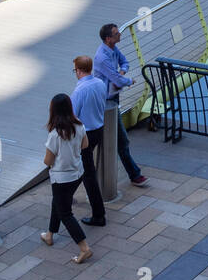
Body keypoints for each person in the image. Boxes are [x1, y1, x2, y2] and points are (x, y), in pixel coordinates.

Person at [39, 93, 95, 265]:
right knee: (58, 202)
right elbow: (85, 145)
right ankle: (50, 234)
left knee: (65, 213)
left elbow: (47, 160)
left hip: (61, 177)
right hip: (77, 173)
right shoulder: (79, 125)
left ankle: (84, 248)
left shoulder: (55, 134)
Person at [93, 23, 149, 187]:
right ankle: (134, 174)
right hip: (106, 102)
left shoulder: (113, 50)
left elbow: (125, 62)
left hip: (113, 98)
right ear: (108, 39)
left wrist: (122, 72)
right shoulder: (102, 57)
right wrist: (129, 80)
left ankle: (132, 174)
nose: (120, 35)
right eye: (116, 34)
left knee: (112, 139)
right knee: (121, 140)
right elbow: (118, 80)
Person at [70, 55, 109, 225]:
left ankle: (99, 214)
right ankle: (67, 196)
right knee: (85, 168)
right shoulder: (100, 84)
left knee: (87, 173)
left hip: (85, 134)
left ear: (78, 70)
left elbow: (72, 115)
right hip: (98, 130)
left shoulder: (80, 90)